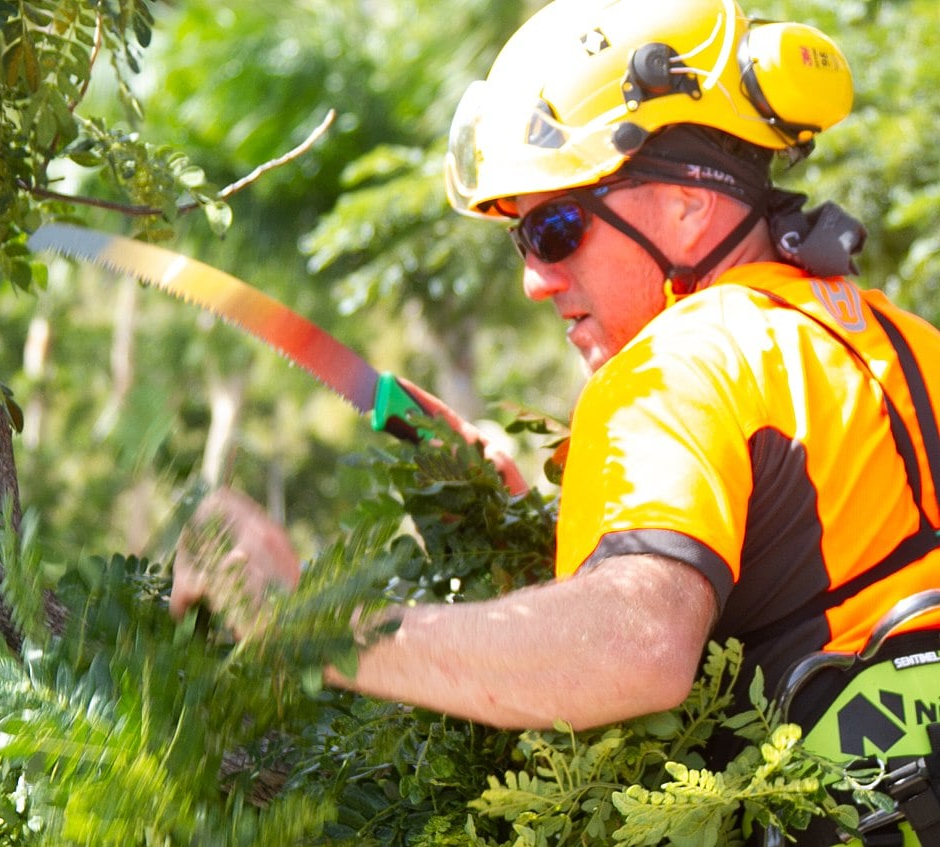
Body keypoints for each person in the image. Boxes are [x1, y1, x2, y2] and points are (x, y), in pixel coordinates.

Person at [173, 0, 940, 841]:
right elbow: (817, 567)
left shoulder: (671, 365)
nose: (536, 280)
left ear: (688, 204)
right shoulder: (906, 344)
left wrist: (314, 626)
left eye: (557, 228)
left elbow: (637, 642)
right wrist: (537, 521)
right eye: (525, 242)